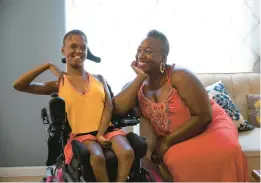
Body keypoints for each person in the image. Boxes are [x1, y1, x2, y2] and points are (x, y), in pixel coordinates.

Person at [112, 29, 249, 182]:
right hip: (179, 137)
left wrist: (166, 141)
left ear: (163, 57)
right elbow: (117, 109)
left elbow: (204, 116)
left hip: (209, 128)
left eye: (148, 51)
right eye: (139, 51)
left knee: (226, 151)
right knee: (177, 158)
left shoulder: (180, 76)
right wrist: (139, 78)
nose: (141, 55)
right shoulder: (137, 86)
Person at [13, 29, 134, 182]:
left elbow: (108, 107)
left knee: (127, 153)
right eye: (74, 46)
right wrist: (47, 65)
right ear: (63, 50)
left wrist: (101, 134)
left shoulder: (99, 78)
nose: (79, 51)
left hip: (107, 130)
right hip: (82, 135)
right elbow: (19, 85)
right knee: (97, 157)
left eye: (83, 48)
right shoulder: (60, 83)